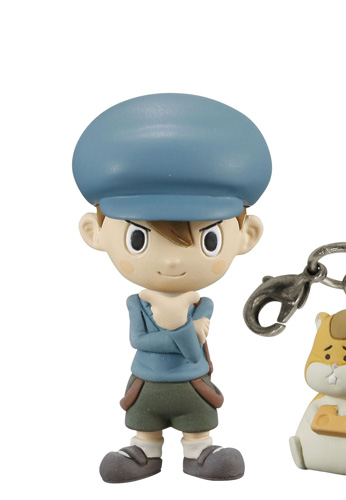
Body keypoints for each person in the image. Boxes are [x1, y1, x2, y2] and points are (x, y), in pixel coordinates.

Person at [73, 93, 272, 482]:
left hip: (192, 386)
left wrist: (178, 329)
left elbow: (187, 348)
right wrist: (184, 331)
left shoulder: (203, 304)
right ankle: (144, 451)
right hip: (147, 384)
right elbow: (140, 340)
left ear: (246, 235)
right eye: (139, 239)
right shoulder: (138, 304)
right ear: (94, 233)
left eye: (209, 239)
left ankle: (199, 451)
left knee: (198, 421)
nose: (172, 262)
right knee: (143, 424)